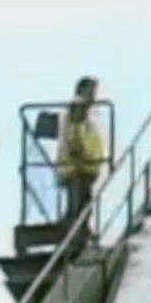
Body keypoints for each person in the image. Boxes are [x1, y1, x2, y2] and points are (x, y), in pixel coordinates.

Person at [56, 76, 106, 237]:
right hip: (78, 166)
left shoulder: (82, 109)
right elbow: (74, 133)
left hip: (84, 165)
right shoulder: (78, 106)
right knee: (80, 204)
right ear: (82, 90)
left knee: (79, 203)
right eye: (91, 90)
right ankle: (76, 232)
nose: (94, 95)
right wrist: (80, 153)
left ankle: (77, 230)